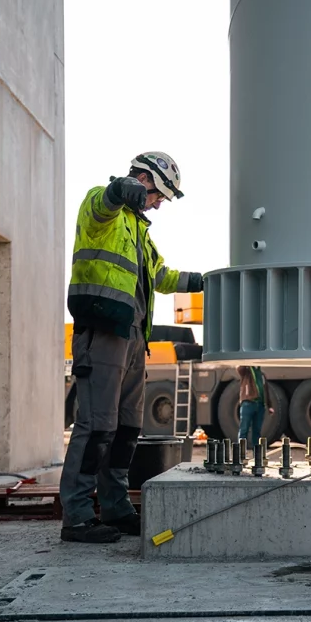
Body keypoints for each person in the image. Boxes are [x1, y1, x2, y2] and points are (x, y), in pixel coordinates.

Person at [61, 152, 204, 543]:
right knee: (95, 427)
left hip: (132, 337)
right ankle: (76, 517)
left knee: (125, 429)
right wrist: (122, 190)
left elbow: (162, 276)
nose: (159, 203)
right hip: (102, 331)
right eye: (158, 194)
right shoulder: (100, 207)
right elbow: (105, 202)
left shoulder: (141, 233)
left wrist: (205, 281)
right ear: (142, 179)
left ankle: (115, 507)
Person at [236, 366, 274, 447]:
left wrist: (269, 405)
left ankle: (256, 453)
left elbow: (265, 391)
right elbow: (239, 369)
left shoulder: (262, 374)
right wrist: (247, 361)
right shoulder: (247, 371)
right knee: (244, 429)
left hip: (260, 405)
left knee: (257, 431)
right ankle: (240, 452)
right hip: (248, 403)